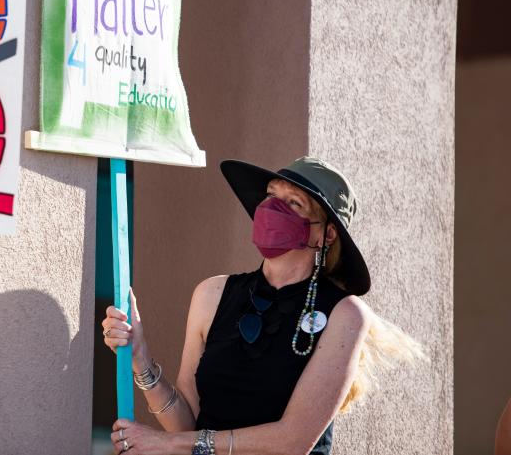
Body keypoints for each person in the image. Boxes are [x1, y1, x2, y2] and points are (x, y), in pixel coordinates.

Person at [102, 157, 423, 455]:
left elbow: (292, 441)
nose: (273, 209)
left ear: (326, 235)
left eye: (293, 203)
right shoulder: (211, 294)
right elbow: (188, 423)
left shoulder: (345, 314)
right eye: (271, 196)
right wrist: (141, 361)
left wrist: (168, 445)